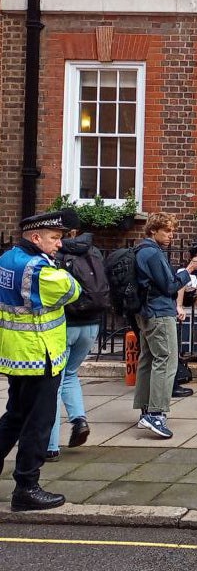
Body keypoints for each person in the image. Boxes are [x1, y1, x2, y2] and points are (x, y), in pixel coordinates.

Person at [0, 211, 80, 511]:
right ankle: (26, 487)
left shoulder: (7, 259)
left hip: (16, 353)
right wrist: (63, 267)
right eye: (54, 238)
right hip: (40, 353)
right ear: (36, 238)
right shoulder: (39, 269)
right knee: (39, 422)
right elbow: (73, 290)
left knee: (15, 416)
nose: (59, 244)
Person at [46, 210, 111, 461]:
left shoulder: (57, 253)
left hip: (66, 323)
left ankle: (50, 446)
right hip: (92, 324)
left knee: (55, 382)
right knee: (71, 374)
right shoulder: (92, 250)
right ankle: (79, 419)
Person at [134, 213, 197, 439]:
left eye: (172, 231)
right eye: (167, 231)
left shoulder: (141, 250)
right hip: (159, 312)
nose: (171, 235)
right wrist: (189, 271)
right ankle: (156, 413)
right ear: (153, 231)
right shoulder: (152, 253)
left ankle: (145, 408)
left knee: (148, 359)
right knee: (166, 360)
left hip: (145, 311)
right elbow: (170, 286)